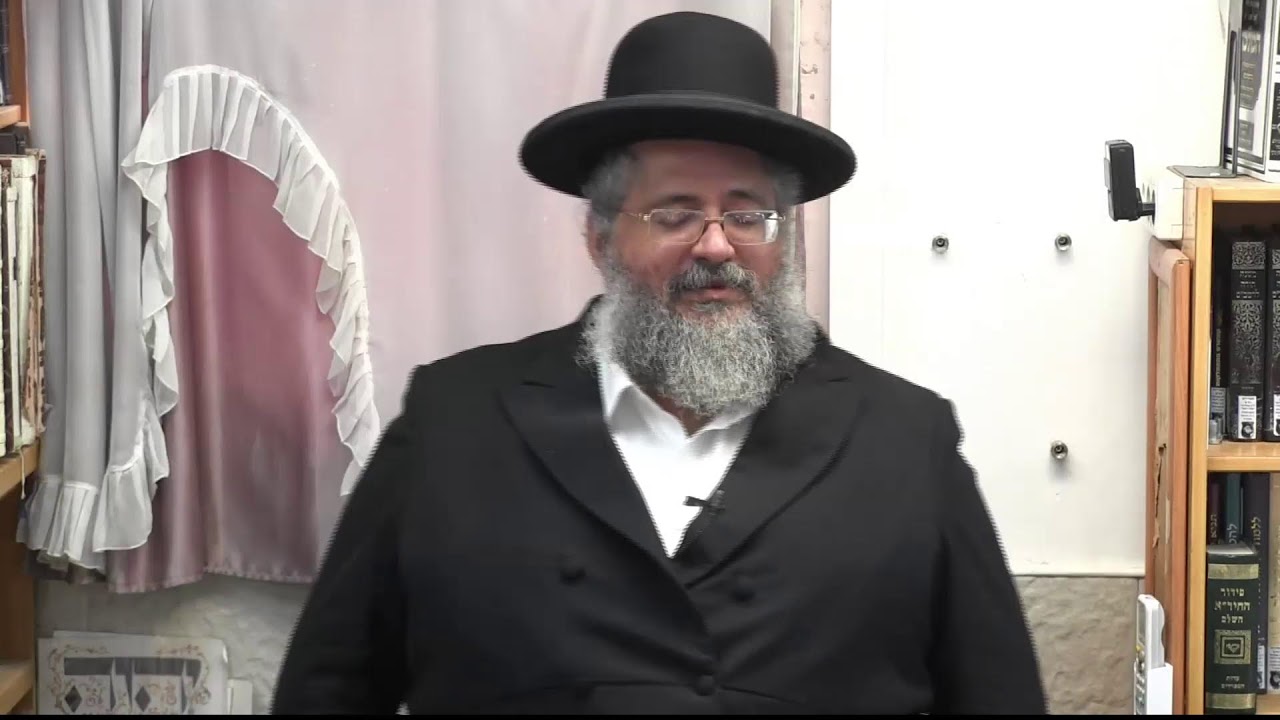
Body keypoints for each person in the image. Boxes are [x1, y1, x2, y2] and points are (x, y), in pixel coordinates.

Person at [271, 10, 1047, 716]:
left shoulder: (905, 441)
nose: (716, 246)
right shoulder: (455, 422)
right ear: (600, 238)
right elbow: (328, 690)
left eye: (748, 214)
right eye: (675, 213)